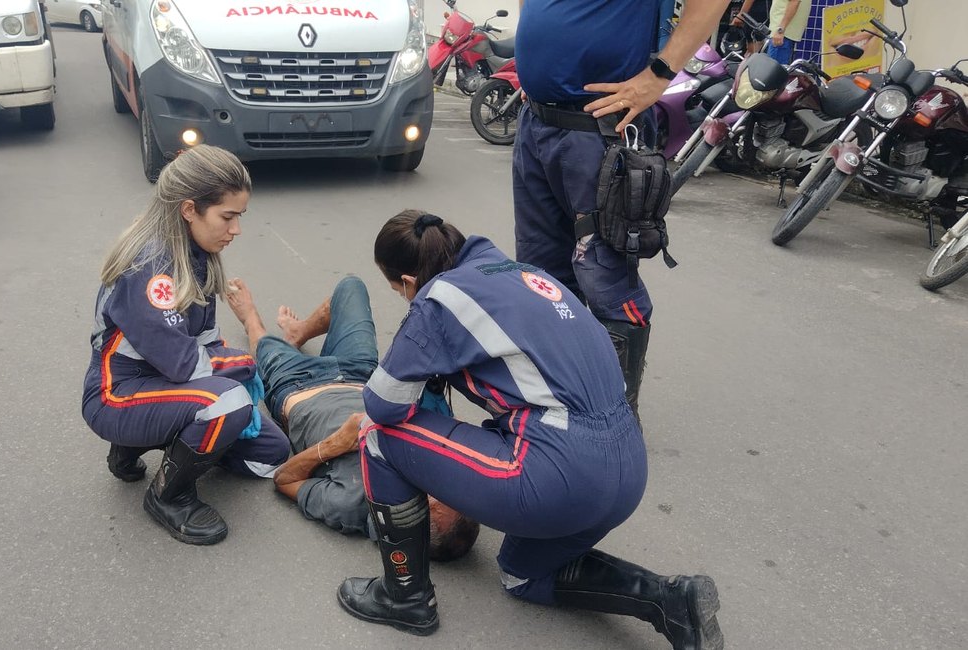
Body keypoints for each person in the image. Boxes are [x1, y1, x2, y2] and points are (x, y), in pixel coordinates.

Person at [336, 211, 722, 650]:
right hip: (627, 470)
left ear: (408, 281)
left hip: (559, 475)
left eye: (398, 291)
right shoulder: (525, 274)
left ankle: (404, 598)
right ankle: (668, 599)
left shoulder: (439, 298)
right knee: (522, 575)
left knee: (378, 437)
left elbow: (382, 403)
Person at [512, 0, 731, 416]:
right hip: (538, 123)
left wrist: (660, 75)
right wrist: (536, 69)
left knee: (603, 274)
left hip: (599, 132)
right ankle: (562, 405)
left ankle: (613, 422)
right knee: (541, 277)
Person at [81, 144, 290, 546]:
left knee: (271, 455)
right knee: (228, 403)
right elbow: (184, 365)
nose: (236, 230)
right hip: (117, 394)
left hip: (164, 384)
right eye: (228, 217)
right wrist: (245, 366)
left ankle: (144, 442)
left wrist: (234, 367)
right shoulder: (151, 268)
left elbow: (207, 341)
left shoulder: (198, 254)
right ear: (189, 209)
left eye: (239, 217)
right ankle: (168, 495)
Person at [223, 275, 480, 561]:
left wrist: (337, 444)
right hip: (361, 373)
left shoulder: (350, 506)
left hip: (296, 383)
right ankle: (298, 332)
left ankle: (250, 319)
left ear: (420, 518)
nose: (440, 484)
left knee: (263, 340)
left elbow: (284, 480)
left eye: (437, 497)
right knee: (351, 288)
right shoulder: (425, 464)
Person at [765, 0, 813, 66]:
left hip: (783, 33)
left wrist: (780, 30)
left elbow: (794, 2)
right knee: (778, 70)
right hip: (785, 32)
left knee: (773, 70)